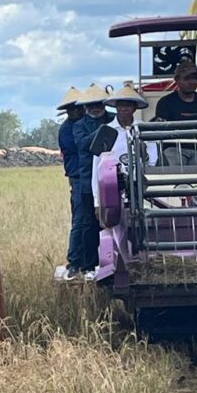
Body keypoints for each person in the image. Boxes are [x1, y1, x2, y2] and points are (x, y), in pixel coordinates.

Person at [67, 83, 113, 280]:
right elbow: (82, 145)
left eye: (99, 103)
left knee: (114, 222)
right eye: (91, 105)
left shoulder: (114, 118)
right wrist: (105, 130)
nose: (96, 108)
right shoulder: (78, 125)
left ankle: (111, 263)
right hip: (88, 179)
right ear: (86, 107)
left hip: (113, 179)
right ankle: (87, 265)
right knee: (87, 224)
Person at [91, 83, 153, 205]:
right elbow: (97, 168)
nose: (124, 109)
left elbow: (153, 161)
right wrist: (97, 201)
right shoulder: (106, 132)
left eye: (128, 105)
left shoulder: (145, 130)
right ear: (115, 107)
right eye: (120, 105)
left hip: (142, 186)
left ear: (135, 108)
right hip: (113, 187)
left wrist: (143, 155)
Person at [56, 86, 83, 279]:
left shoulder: (83, 125)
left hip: (87, 175)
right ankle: (74, 261)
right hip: (78, 177)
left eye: (78, 107)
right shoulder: (67, 129)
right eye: (71, 108)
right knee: (80, 220)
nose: (75, 111)